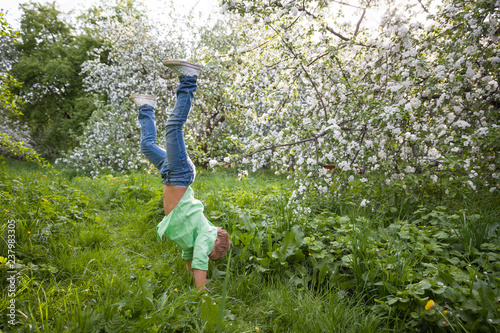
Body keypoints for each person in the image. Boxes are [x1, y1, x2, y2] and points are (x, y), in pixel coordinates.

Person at [129, 60, 231, 290]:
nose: (203, 251)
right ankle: (189, 79)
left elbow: (189, 255)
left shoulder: (193, 239)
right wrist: (201, 292)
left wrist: (187, 274)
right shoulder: (206, 233)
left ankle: (146, 107)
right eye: (209, 252)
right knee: (174, 126)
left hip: (171, 176)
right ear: (215, 241)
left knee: (147, 146)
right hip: (180, 176)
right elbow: (199, 261)